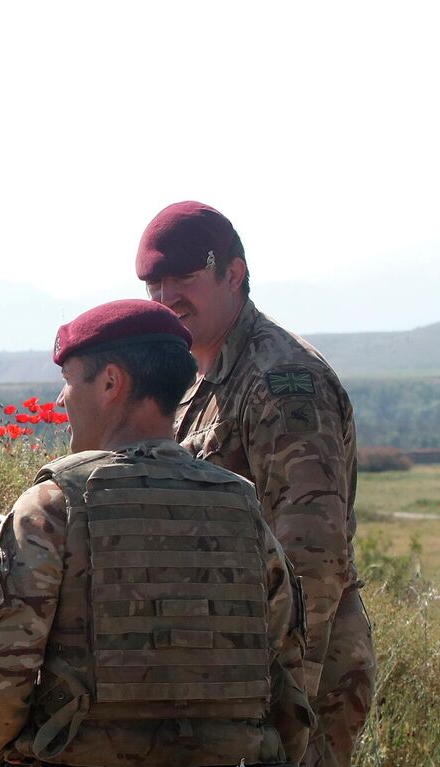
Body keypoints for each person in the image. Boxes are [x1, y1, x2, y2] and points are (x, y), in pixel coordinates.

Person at [0, 299, 312, 767]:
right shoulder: (243, 506)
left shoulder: (57, 504)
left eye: (69, 381)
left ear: (109, 383)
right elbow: (287, 676)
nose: (62, 399)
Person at [136, 201, 374, 767]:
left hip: (291, 675)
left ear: (234, 275)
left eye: (185, 279)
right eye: (154, 283)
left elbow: (312, 557)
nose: (168, 297)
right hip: (232, 661)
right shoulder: (201, 376)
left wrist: (284, 698)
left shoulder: (282, 381)